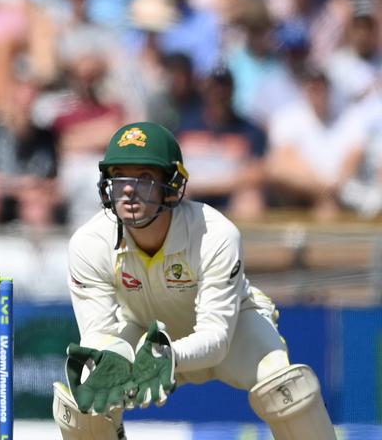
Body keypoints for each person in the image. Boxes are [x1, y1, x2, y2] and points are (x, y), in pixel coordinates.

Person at [52, 122, 334, 440]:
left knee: (287, 388)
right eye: (120, 177)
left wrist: (165, 355)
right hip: (144, 329)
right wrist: (111, 359)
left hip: (234, 330)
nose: (128, 189)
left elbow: (216, 336)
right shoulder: (89, 243)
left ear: (171, 185)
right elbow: (98, 334)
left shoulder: (215, 234)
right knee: (87, 394)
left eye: (144, 178)